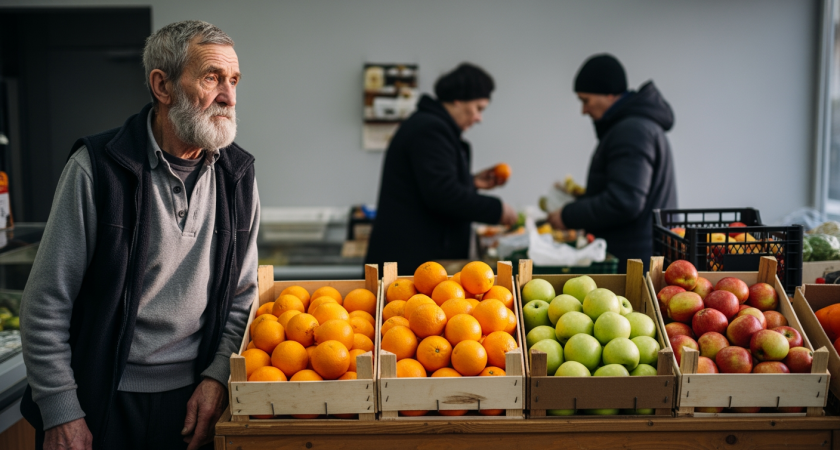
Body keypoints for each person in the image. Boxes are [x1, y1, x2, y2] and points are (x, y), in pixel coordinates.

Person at [19, 20, 259, 450]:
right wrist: (60, 408)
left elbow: (243, 296)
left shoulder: (238, 175)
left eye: (234, 80)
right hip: (99, 399)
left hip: (194, 402)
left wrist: (218, 376)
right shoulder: (96, 168)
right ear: (162, 86)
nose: (229, 96)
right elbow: (45, 302)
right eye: (212, 78)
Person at [365, 63, 518, 272]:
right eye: (478, 108)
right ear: (458, 99)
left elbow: (430, 184)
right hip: (410, 262)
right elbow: (442, 194)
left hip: (414, 258)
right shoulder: (431, 130)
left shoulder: (428, 125)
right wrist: (497, 209)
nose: (479, 118)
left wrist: (471, 182)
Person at [548, 54, 677, 272]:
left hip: (635, 264)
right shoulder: (637, 127)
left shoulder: (631, 131)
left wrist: (567, 215)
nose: (583, 111)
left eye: (585, 100)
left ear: (609, 94)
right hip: (641, 256)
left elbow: (625, 201)